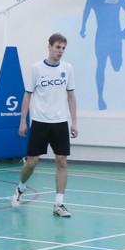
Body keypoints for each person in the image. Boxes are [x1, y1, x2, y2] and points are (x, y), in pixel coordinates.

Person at [13, 33, 79, 217]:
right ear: (49, 46)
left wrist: (74, 122)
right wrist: (22, 121)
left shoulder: (68, 69)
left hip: (60, 123)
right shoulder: (36, 68)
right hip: (40, 122)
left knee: (62, 160)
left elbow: (71, 96)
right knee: (32, 162)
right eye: (57, 47)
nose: (60, 51)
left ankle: (59, 204)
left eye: (63, 48)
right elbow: (28, 95)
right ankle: (20, 188)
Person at [79, 0, 125, 111]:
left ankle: (100, 97)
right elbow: (86, 12)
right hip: (106, 37)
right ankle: (100, 98)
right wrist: (83, 27)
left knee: (116, 66)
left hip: (111, 36)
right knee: (101, 66)